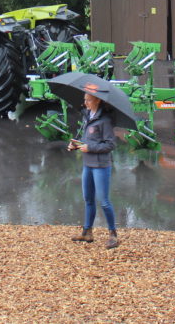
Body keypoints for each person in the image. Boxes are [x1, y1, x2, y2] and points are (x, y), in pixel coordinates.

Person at [67, 89, 119, 249]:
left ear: (97, 100)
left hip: (101, 166)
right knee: (88, 199)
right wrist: (76, 145)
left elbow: (110, 144)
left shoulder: (105, 120)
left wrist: (90, 147)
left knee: (104, 201)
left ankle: (113, 234)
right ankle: (87, 232)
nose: (85, 103)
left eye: (88, 100)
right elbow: (86, 140)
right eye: (85, 100)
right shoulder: (87, 117)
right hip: (87, 164)